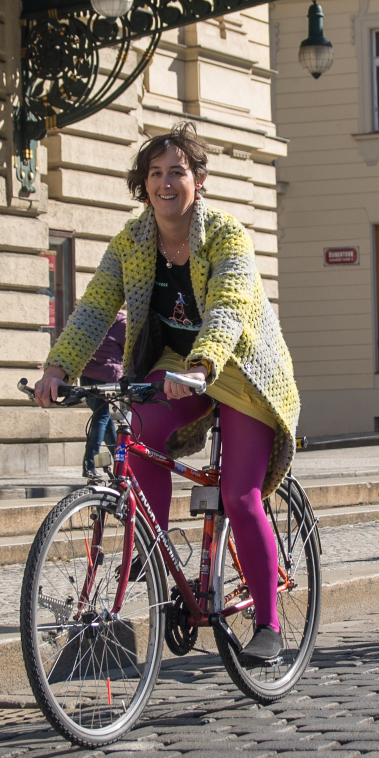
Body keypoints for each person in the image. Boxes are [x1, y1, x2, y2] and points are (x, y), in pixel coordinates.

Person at [33, 123, 300, 665]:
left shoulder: (226, 233)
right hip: (178, 363)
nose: (165, 183)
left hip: (241, 367)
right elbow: (94, 307)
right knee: (141, 434)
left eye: (176, 172)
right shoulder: (131, 242)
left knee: (239, 494)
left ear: (198, 181)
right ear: (143, 184)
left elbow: (226, 306)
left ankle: (268, 625)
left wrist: (204, 366)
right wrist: (56, 368)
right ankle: (151, 550)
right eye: (155, 174)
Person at [78, 311, 128, 482]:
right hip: (107, 378)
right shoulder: (121, 323)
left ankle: (119, 463)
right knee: (102, 417)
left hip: (86, 375)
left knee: (104, 419)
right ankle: (89, 464)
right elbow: (129, 349)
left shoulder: (90, 317)